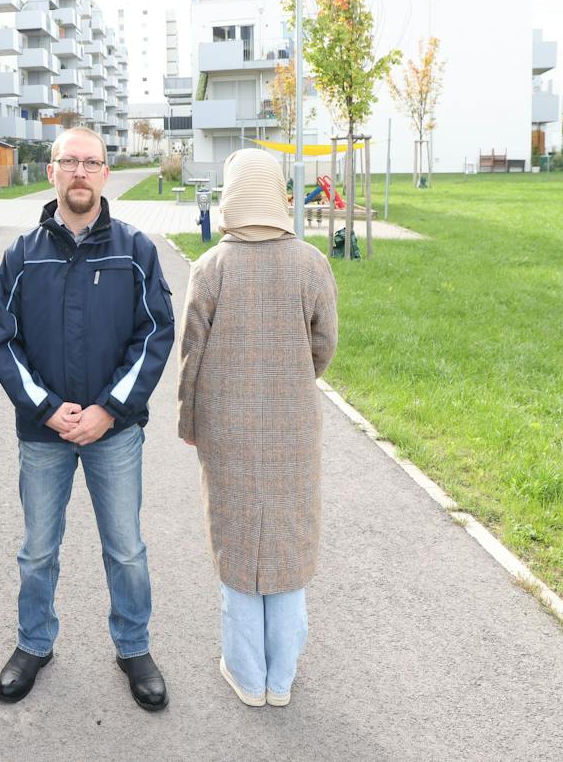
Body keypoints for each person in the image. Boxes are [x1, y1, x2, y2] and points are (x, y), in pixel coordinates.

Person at [0, 126, 175, 710]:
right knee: (38, 550)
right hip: (43, 435)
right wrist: (45, 410)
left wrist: (109, 410)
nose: (80, 173)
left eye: (91, 163)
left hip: (113, 435)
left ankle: (134, 646)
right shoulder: (21, 255)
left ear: (105, 174)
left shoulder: (135, 250)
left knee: (126, 549)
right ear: (52, 172)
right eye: (69, 161)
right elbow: (2, 342)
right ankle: (34, 643)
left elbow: (155, 335)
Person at [177, 148, 338, 707]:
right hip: (291, 423)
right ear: (279, 193)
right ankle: (282, 678)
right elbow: (324, 345)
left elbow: (191, 356)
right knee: (289, 544)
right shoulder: (311, 263)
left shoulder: (211, 268)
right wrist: (296, 378)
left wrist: (190, 418)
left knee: (237, 542)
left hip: (226, 425)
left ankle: (246, 676)